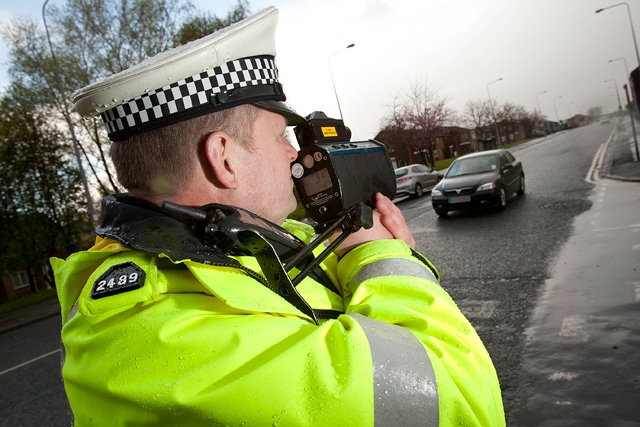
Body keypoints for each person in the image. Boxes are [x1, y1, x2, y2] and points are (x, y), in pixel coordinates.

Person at [52, 7, 505, 426]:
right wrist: (380, 257)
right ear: (224, 158)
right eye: (279, 137)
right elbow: (457, 398)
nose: (296, 153)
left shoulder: (243, 241)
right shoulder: (145, 332)